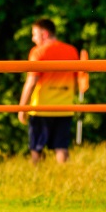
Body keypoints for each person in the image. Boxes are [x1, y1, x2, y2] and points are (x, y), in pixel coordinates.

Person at [17, 18, 80, 163]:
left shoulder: (38, 52)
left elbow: (31, 82)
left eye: (34, 34)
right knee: (61, 148)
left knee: (36, 149)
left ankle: (37, 176)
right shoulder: (71, 51)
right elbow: (76, 81)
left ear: (44, 34)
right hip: (65, 108)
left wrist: (22, 108)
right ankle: (64, 175)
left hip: (41, 109)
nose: (33, 39)